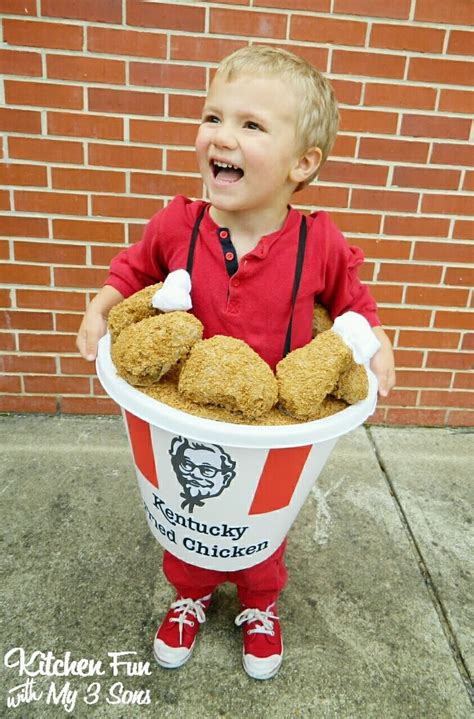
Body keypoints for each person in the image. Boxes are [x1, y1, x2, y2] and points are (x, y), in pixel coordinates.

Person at [76, 45, 396, 680]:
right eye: (213, 117)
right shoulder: (178, 224)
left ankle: (258, 604)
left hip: (270, 420)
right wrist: (100, 307)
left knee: (258, 531)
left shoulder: (318, 243)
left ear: (302, 164)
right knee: (190, 526)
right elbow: (133, 269)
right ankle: (190, 595)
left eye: (251, 125)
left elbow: (355, 307)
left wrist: (378, 348)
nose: (221, 136)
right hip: (186, 413)